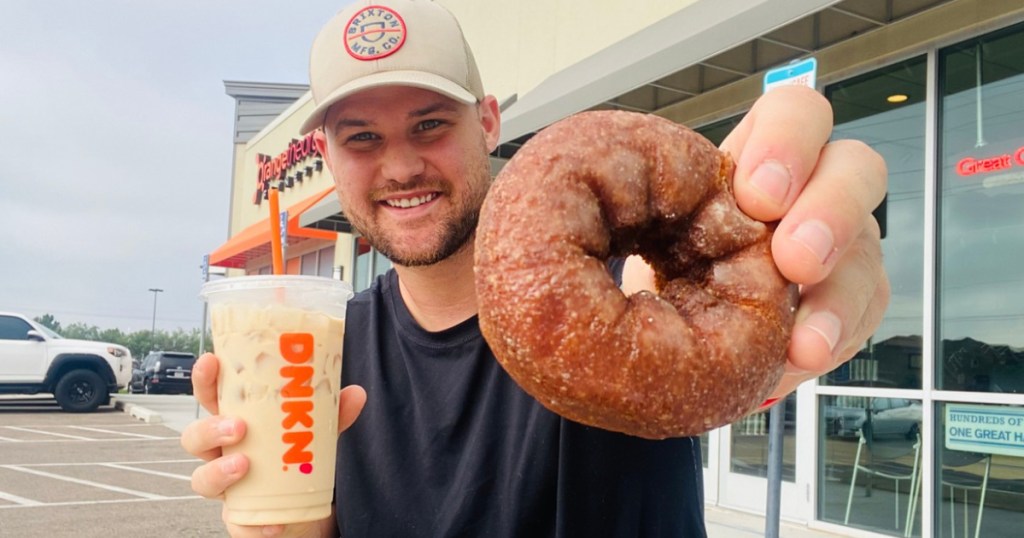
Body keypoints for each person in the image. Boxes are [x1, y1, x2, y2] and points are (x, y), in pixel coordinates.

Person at [181, 0, 890, 536]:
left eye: (429, 124)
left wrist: (805, 277)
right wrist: (283, 525)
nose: (399, 166)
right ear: (329, 162)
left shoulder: (639, 319)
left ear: (488, 122)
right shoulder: (316, 357)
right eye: (361, 138)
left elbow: (730, 351)